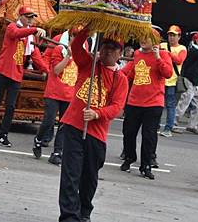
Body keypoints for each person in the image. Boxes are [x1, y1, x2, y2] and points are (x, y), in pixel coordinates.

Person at [58, 29, 128, 222]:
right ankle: (69, 217)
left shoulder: (120, 79)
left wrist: (98, 113)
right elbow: (76, 46)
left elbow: (117, 107)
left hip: (96, 134)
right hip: (73, 125)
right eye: (105, 46)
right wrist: (90, 27)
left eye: (113, 48)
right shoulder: (87, 64)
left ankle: (84, 212)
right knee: (70, 175)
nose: (108, 51)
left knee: (89, 179)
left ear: (120, 53)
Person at [0, 6, 47, 146]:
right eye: (28, 17)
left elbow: (35, 55)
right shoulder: (12, 27)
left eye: (32, 17)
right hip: (3, 71)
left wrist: (47, 71)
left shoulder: (29, 36)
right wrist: (34, 29)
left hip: (16, 74)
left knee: (10, 106)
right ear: (21, 16)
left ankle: (3, 135)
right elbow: (15, 34)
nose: (30, 20)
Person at [120, 31, 172, 180]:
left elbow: (168, 73)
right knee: (128, 132)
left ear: (154, 41)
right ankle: (129, 157)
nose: (143, 40)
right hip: (134, 101)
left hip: (154, 102)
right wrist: (115, 73)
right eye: (141, 37)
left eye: (147, 38)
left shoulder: (163, 54)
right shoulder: (137, 54)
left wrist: (158, 58)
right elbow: (131, 72)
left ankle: (146, 165)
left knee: (148, 136)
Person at [32, 27, 82, 165]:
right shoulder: (59, 49)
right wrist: (69, 56)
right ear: (70, 37)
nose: (77, 40)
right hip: (54, 91)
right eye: (75, 37)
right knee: (49, 121)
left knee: (64, 125)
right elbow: (56, 69)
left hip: (70, 93)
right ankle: (38, 139)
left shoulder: (83, 49)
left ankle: (57, 152)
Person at [158, 25, 187, 137]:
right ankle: (156, 125)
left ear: (179, 36)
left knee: (170, 106)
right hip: (160, 80)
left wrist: (166, 53)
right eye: (170, 35)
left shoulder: (182, 48)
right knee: (158, 104)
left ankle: (168, 128)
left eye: (174, 35)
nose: (171, 37)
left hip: (172, 81)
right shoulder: (162, 45)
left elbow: (179, 60)